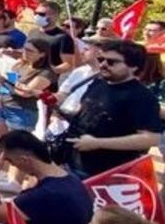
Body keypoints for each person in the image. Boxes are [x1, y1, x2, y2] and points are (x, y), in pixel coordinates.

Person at [65, 40, 163, 177]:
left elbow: (151, 138)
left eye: (112, 62)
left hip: (106, 172)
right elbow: (85, 113)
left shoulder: (141, 96)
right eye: (101, 59)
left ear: (133, 67)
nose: (103, 64)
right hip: (71, 161)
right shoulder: (98, 83)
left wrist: (98, 143)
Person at [0, 36, 57, 136]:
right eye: (24, 49)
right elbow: (5, 84)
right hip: (4, 107)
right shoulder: (20, 65)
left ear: (42, 54)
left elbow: (25, 93)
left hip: (21, 113)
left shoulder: (46, 73)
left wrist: (11, 84)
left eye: (30, 51)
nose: (25, 52)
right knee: (3, 143)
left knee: (15, 148)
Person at [33, 1, 76, 74]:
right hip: (28, 75)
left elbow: (69, 64)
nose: (37, 16)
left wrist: (49, 72)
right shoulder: (33, 32)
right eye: (35, 13)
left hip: (47, 81)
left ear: (55, 16)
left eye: (41, 14)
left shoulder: (63, 38)